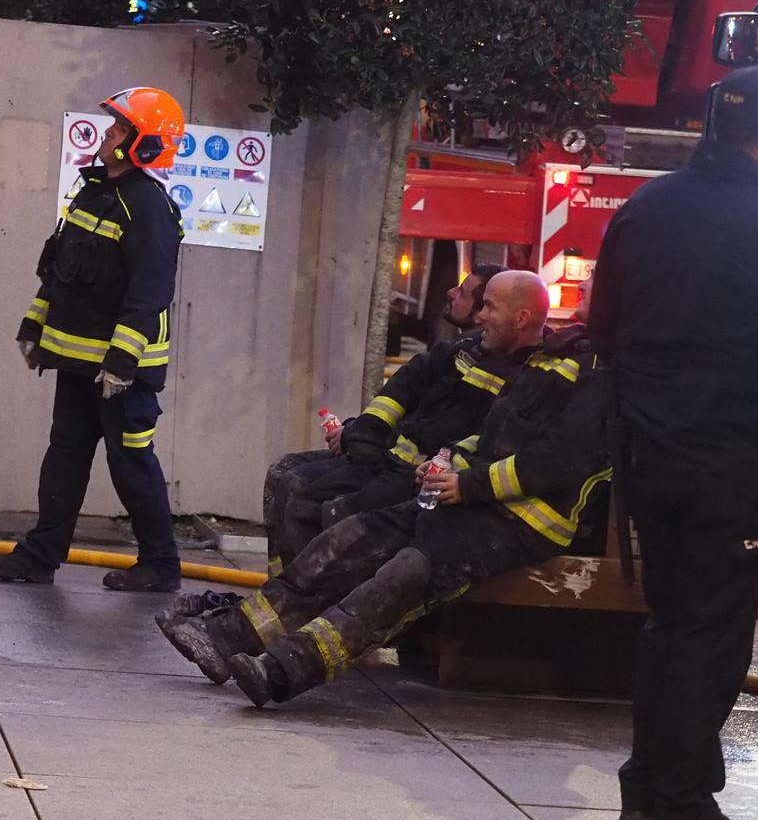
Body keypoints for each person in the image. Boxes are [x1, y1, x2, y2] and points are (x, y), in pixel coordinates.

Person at [589, 66, 758, 820]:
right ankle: (686, 810)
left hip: (646, 451)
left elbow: (605, 323)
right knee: (711, 635)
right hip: (726, 455)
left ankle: (649, 799)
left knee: (667, 625)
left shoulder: (648, 205)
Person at [160, 273, 609, 698]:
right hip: (467, 497)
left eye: (593, 284)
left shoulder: (604, 371)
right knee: (350, 538)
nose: (582, 285)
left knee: (405, 574)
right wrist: (449, 462)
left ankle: (281, 672)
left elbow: (561, 459)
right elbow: (498, 430)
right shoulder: (564, 353)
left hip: (521, 521)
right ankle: (226, 638)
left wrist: (469, 484)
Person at [0, 86, 186, 592]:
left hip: (121, 373)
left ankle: (161, 565)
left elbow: (150, 291)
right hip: (77, 363)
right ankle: (41, 555)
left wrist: (122, 361)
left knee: (131, 463)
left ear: (143, 144)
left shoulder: (148, 207)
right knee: (64, 457)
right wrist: (35, 326)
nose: (108, 134)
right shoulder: (92, 193)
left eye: (119, 129)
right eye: (112, 126)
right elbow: (60, 272)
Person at [257, 264, 513, 581]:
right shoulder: (456, 352)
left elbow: (443, 431)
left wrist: (360, 440)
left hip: (411, 476)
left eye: (462, 292)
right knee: (284, 473)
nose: (450, 292)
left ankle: (302, 597)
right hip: (387, 461)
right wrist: (357, 434)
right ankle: (281, 586)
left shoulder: (507, 372)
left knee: (311, 503)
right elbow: (400, 398)